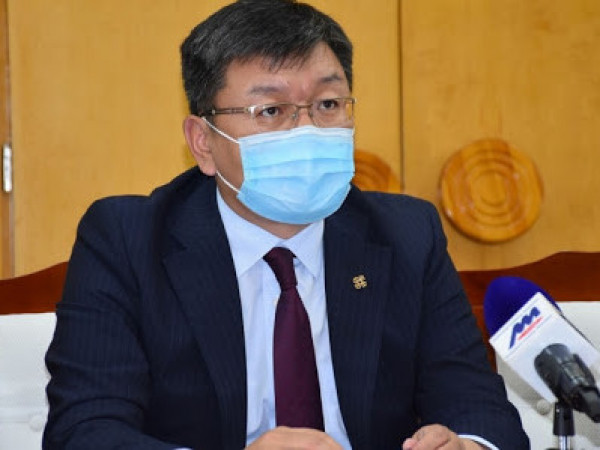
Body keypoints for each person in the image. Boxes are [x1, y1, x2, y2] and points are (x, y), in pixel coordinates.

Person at [43, 0, 529, 449]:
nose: (306, 130)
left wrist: (467, 445)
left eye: (328, 105)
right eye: (271, 111)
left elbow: (480, 409)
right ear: (203, 142)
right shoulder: (127, 239)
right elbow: (85, 430)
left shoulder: (407, 234)